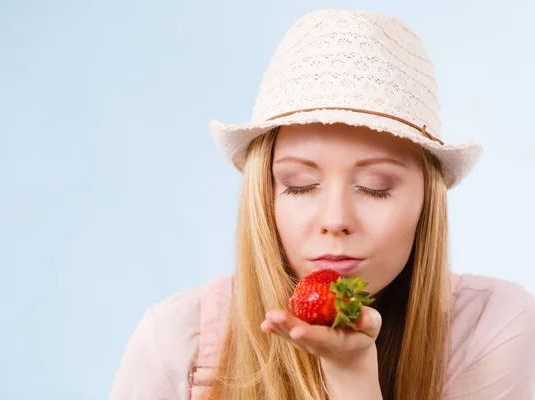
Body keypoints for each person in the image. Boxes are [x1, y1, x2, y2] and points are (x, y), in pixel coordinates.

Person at [107, 9, 535, 400]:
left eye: (376, 187)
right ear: (266, 194)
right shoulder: (177, 343)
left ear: (427, 201)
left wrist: (352, 377)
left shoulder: (493, 327)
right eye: (299, 185)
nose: (335, 221)